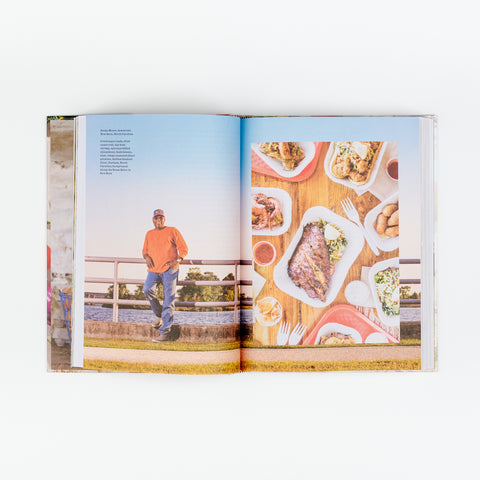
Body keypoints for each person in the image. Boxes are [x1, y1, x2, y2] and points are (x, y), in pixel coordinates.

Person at [142, 209, 188, 342]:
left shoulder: (173, 231)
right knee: (147, 290)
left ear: (164, 219)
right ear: (153, 220)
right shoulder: (149, 234)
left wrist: (178, 260)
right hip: (153, 269)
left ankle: (165, 332)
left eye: (161, 218)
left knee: (169, 299)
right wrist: (146, 257)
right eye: (156, 218)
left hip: (170, 270)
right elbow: (144, 250)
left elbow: (184, 248)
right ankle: (159, 315)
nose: (158, 221)